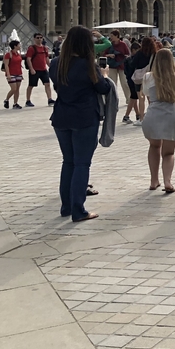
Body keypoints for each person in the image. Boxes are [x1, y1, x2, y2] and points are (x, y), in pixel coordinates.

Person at [50, 25, 112, 222]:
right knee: (82, 163)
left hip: (61, 117)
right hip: (84, 118)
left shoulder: (56, 63)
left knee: (68, 162)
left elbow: (57, 86)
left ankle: (66, 207)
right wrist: (104, 75)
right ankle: (79, 210)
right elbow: (102, 89)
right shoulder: (88, 64)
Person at [141, 48, 175, 193]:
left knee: (154, 147)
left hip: (152, 114)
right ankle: (167, 181)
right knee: (169, 153)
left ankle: (153, 180)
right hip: (170, 114)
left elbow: (145, 93)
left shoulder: (148, 77)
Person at [123, 37, 157, 125]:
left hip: (139, 78)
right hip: (150, 77)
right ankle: (152, 117)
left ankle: (141, 118)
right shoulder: (154, 53)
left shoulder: (139, 53)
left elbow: (132, 64)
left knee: (141, 98)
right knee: (150, 99)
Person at [25, 33, 56, 107]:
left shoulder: (45, 48)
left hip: (43, 69)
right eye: (37, 38)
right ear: (34, 39)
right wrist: (31, 69)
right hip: (35, 70)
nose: (39, 39)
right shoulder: (31, 48)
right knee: (31, 85)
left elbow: (47, 59)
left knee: (47, 84)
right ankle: (28, 100)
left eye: (41, 38)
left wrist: (51, 67)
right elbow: (28, 59)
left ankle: (50, 99)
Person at [105, 30, 130, 94]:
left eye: (112, 36)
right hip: (112, 66)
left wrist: (122, 55)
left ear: (117, 36)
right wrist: (109, 55)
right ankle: (113, 98)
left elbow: (128, 54)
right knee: (113, 83)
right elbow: (104, 54)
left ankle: (129, 99)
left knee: (125, 83)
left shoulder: (123, 44)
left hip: (122, 65)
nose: (110, 37)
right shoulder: (109, 44)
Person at [3, 39, 24, 109]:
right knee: (13, 89)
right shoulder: (8, 54)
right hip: (11, 73)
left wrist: (21, 74)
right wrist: (8, 74)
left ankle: (15, 103)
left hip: (18, 73)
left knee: (17, 89)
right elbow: (6, 65)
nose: (20, 46)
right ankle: (6, 99)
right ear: (15, 46)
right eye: (19, 45)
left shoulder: (18, 54)